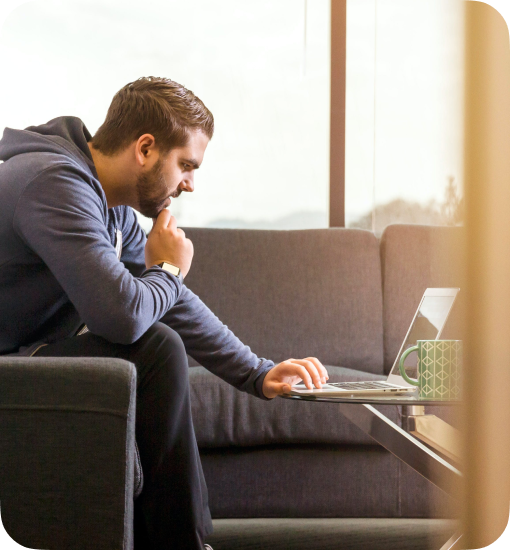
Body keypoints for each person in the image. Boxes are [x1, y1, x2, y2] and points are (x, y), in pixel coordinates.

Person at [0, 77, 329, 550]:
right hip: (10, 365)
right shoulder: (53, 184)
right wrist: (170, 268)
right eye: (186, 165)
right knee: (152, 347)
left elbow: (171, 301)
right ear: (146, 148)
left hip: (29, 358)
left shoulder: (110, 210)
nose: (190, 184)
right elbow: (123, 316)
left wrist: (257, 373)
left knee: (155, 341)